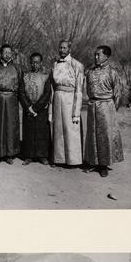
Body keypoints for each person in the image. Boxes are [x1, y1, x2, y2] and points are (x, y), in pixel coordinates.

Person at [83, 45, 125, 177]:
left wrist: (111, 110)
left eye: (98, 55)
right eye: (95, 55)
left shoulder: (113, 72)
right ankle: (93, 162)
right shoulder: (90, 71)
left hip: (106, 107)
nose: (96, 57)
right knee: (92, 134)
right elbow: (87, 90)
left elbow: (118, 93)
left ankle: (103, 165)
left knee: (104, 136)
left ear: (106, 57)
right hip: (92, 105)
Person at [50, 39, 85, 167]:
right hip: (57, 98)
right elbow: (52, 87)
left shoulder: (77, 65)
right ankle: (59, 158)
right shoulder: (55, 64)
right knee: (58, 129)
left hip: (70, 99)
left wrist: (76, 112)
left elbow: (79, 90)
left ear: (69, 49)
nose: (62, 50)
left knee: (70, 129)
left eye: (64, 48)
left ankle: (73, 160)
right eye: (60, 48)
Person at [0, 44, 23, 164]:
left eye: (9, 52)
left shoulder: (17, 68)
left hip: (11, 99)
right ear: (1, 53)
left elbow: (21, 86)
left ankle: (10, 153)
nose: (7, 54)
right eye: (5, 52)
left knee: (10, 126)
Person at [20, 52, 53, 165]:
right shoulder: (24, 76)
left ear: (41, 63)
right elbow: (22, 92)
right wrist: (28, 107)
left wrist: (36, 108)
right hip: (28, 109)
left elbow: (47, 93)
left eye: (37, 62)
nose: (35, 65)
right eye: (33, 62)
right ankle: (28, 155)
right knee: (28, 132)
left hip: (41, 109)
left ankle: (42, 155)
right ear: (30, 63)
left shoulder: (46, 76)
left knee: (41, 133)